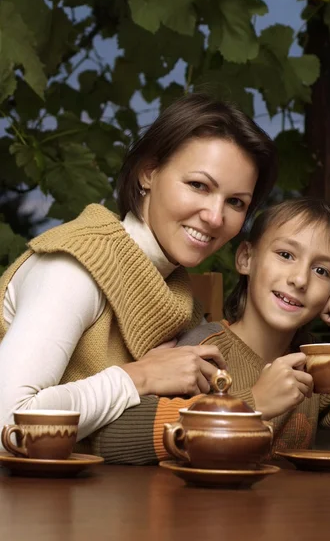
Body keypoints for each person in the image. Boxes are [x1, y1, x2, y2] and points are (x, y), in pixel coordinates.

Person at [0, 93, 277, 452]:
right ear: (148, 172)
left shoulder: (177, 297)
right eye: (198, 185)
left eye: (236, 202)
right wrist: (140, 376)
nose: (215, 216)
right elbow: (9, 424)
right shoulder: (74, 267)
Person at [91, 197, 330, 464]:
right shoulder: (203, 350)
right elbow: (111, 438)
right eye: (286, 255)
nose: (300, 279)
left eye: (321, 270)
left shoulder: (317, 371)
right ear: (246, 258)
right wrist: (253, 404)